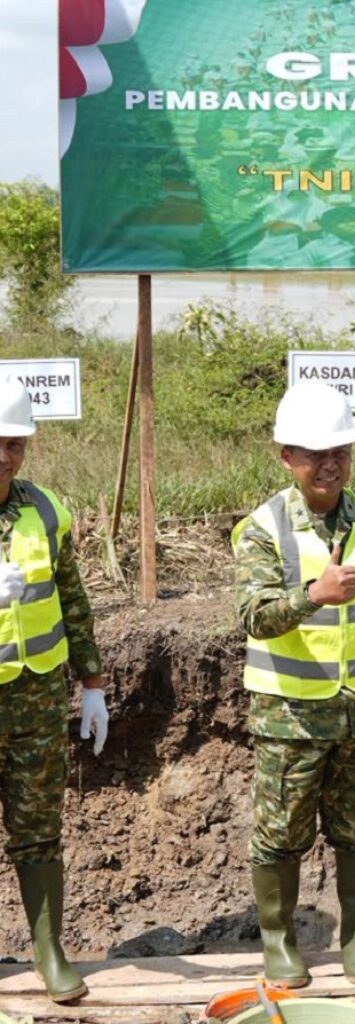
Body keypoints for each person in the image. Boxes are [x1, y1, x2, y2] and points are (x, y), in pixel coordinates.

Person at [232, 381, 355, 987]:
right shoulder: (263, 528)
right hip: (291, 714)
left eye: (340, 449)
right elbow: (254, 616)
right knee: (281, 830)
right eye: (313, 453)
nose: (329, 463)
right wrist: (312, 596)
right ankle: (279, 942)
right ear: (285, 458)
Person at [0, 379, 109, 1003]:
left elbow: (73, 600)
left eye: (15, 443)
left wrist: (92, 683)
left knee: (38, 829)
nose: (4, 456)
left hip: (36, 699)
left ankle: (49, 951)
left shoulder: (45, 511)